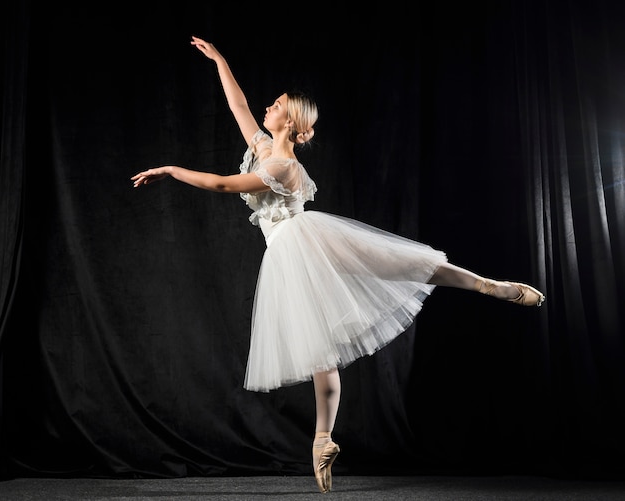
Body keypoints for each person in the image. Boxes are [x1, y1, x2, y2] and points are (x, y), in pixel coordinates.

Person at [131, 36, 545, 494]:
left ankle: (491, 286)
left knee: (402, 264)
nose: (266, 107)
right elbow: (239, 104)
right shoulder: (264, 146)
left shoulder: (284, 165)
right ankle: (323, 439)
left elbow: (223, 185)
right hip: (290, 251)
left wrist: (171, 170)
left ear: (289, 121)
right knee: (319, 351)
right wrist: (220, 61)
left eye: (276, 105)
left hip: (304, 241)